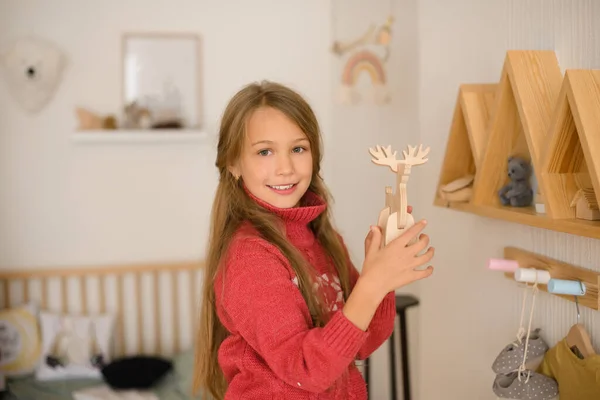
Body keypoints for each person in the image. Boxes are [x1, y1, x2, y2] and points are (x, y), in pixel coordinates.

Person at [193, 80, 434, 399]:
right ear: (234, 164)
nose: (285, 168)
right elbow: (305, 369)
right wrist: (372, 285)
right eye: (265, 151)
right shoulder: (250, 256)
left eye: (298, 149)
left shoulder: (321, 237)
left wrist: (382, 276)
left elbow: (362, 343)